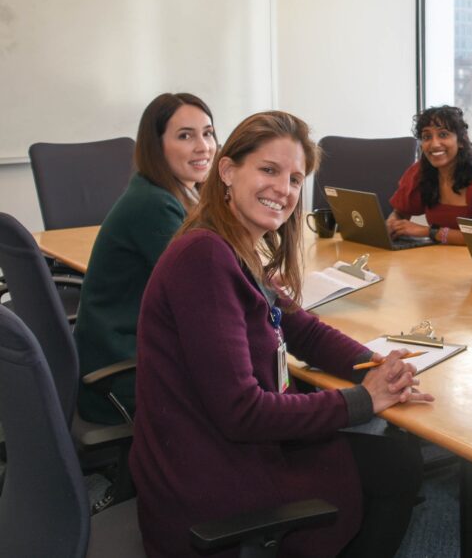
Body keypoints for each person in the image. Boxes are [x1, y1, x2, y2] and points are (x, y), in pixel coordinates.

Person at [130, 111, 434, 558]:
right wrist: (363, 400)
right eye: (268, 170)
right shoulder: (205, 258)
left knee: (388, 460)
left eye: (294, 179)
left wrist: (378, 366)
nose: (283, 190)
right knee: (396, 465)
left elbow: (303, 330)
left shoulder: (231, 244)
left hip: (207, 450)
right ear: (228, 171)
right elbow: (243, 412)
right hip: (207, 480)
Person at [74, 92, 216, 425]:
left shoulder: (173, 193)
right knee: (248, 385)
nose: (203, 146)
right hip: (121, 375)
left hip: (121, 354)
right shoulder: (154, 205)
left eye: (208, 133)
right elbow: (205, 293)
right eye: (185, 136)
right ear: (157, 146)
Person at [387, 105, 472, 245]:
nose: (434, 144)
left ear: (460, 141)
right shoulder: (421, 172)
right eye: (426, 137)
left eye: (443, 134)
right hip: (438, 259)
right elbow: (399, 213)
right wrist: (393, 224)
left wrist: (430, 232)